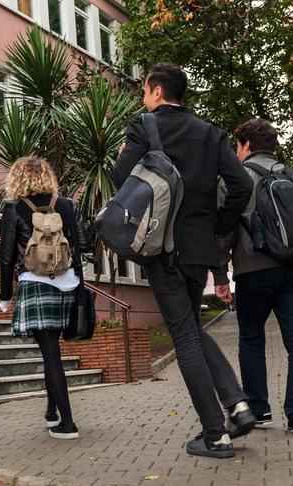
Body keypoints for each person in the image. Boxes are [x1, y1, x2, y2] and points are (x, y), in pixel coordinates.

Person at [114, 63, 255, 458]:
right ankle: (237, 405)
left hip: (164, 248)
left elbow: (120, 178)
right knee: (191, 326)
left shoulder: (144, 126)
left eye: (145, 91)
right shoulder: (211, 133)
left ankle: (215, 434)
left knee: (184, 338)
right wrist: (216, 227)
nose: (144, 98)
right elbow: (241, 185)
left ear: (157, 92)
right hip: (199, 248)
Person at [213, 118, 293, 436]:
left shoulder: (234, 179)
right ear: (273, 146)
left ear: (245, 145)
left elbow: (224, 229)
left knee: (252, 340)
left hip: (253, 268)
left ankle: (259, 410)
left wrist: (219, 274)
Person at [0, 156, 90, 440]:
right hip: (68, 283)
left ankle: (68, 423)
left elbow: (6, 256)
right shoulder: (67, 205)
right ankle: (52, 411)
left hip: (36, 284)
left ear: (17, 178)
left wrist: (5, 296)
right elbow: (83, 245)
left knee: (50, 354)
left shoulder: (14, 208)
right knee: (53, 355)